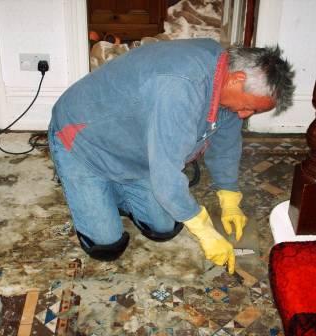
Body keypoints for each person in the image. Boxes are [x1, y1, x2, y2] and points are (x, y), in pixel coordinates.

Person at [48, 38, 294, 273]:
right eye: (249, 107)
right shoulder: (180, 87)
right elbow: (167, 178)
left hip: (136, 148)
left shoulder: (225, 77)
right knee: (106, 245)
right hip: (84, 140)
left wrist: (229, 196)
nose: (244, 115)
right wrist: (204, 230)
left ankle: (117, 188)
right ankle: (79, 178)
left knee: (164, 228)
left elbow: (226, 142)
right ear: (238, 79)